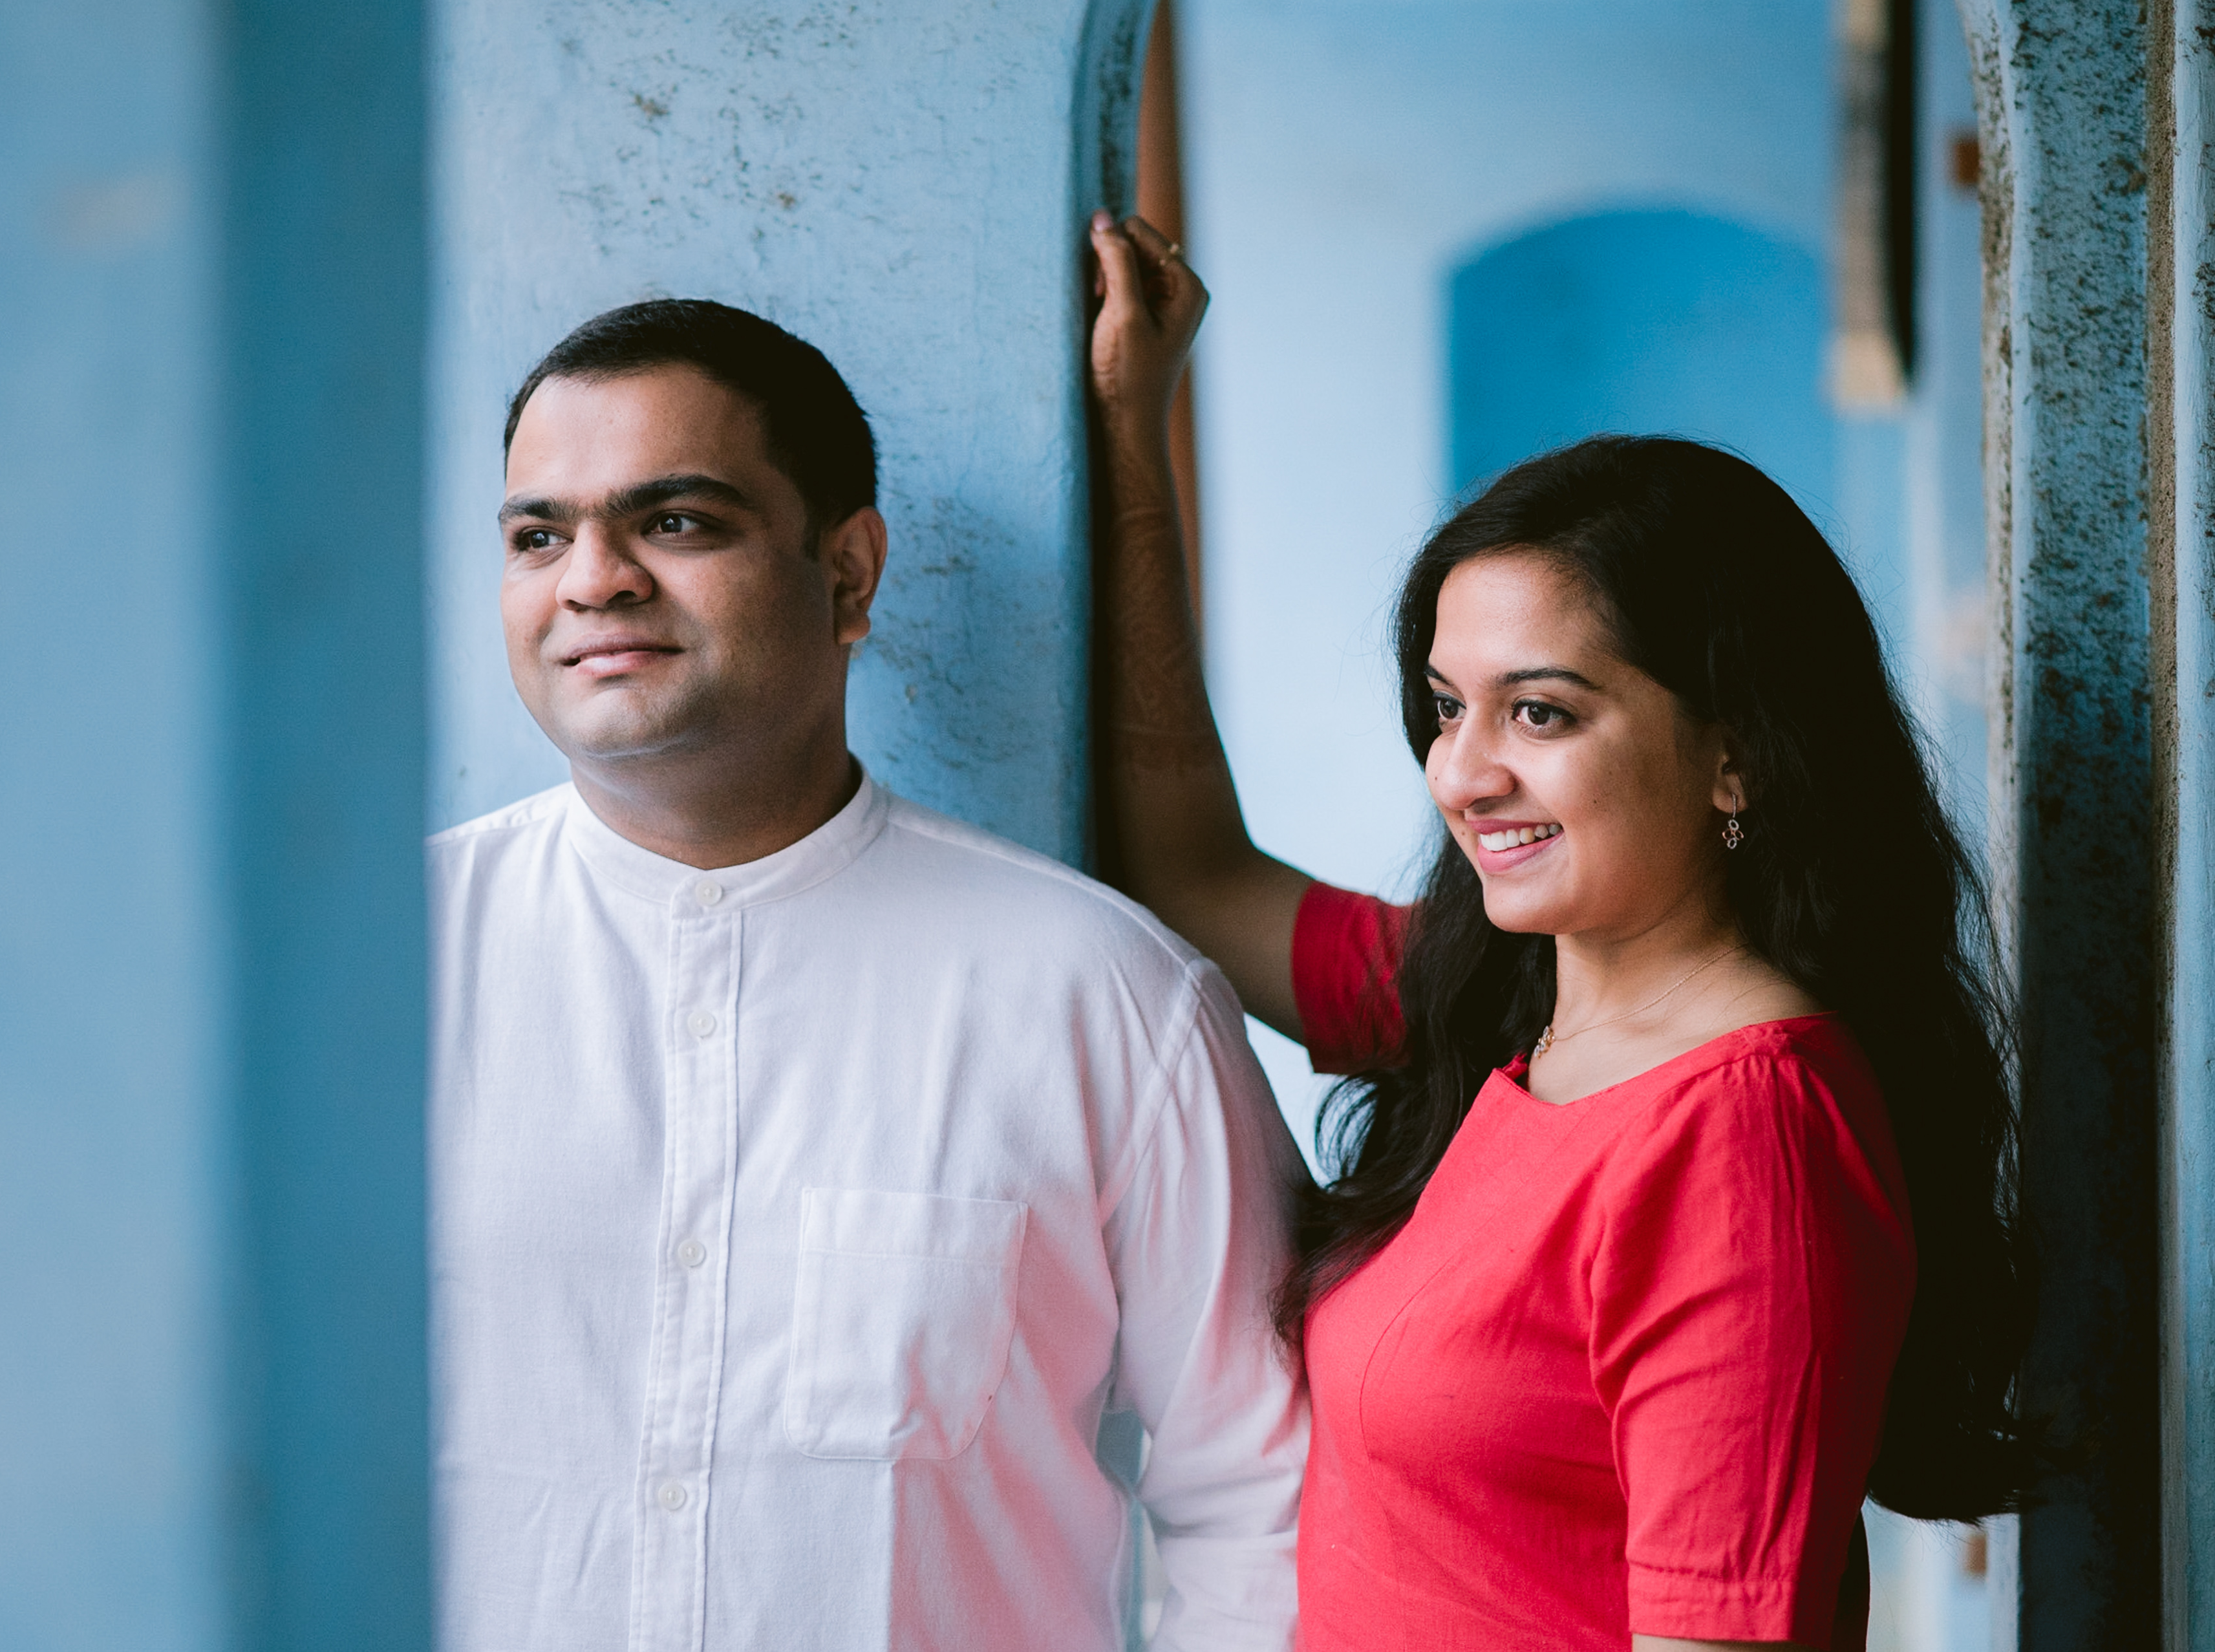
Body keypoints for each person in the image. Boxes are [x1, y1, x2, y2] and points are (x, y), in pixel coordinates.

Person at [1082, 213, 2029, 1651]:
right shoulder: (1506, 1004)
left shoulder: (1744, 1134)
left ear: (1736, 755)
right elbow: (1195, 873)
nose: (1463, 774)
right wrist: (1126, 437)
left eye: (1542, 713)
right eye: (1446, 708)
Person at [427, 297, 1307, 1652]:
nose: (592, 580)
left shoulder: (1098, 996)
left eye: (677, 522)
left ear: (847, 574)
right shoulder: (384, 980)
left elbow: (1262, 1500)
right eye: (539, 536)